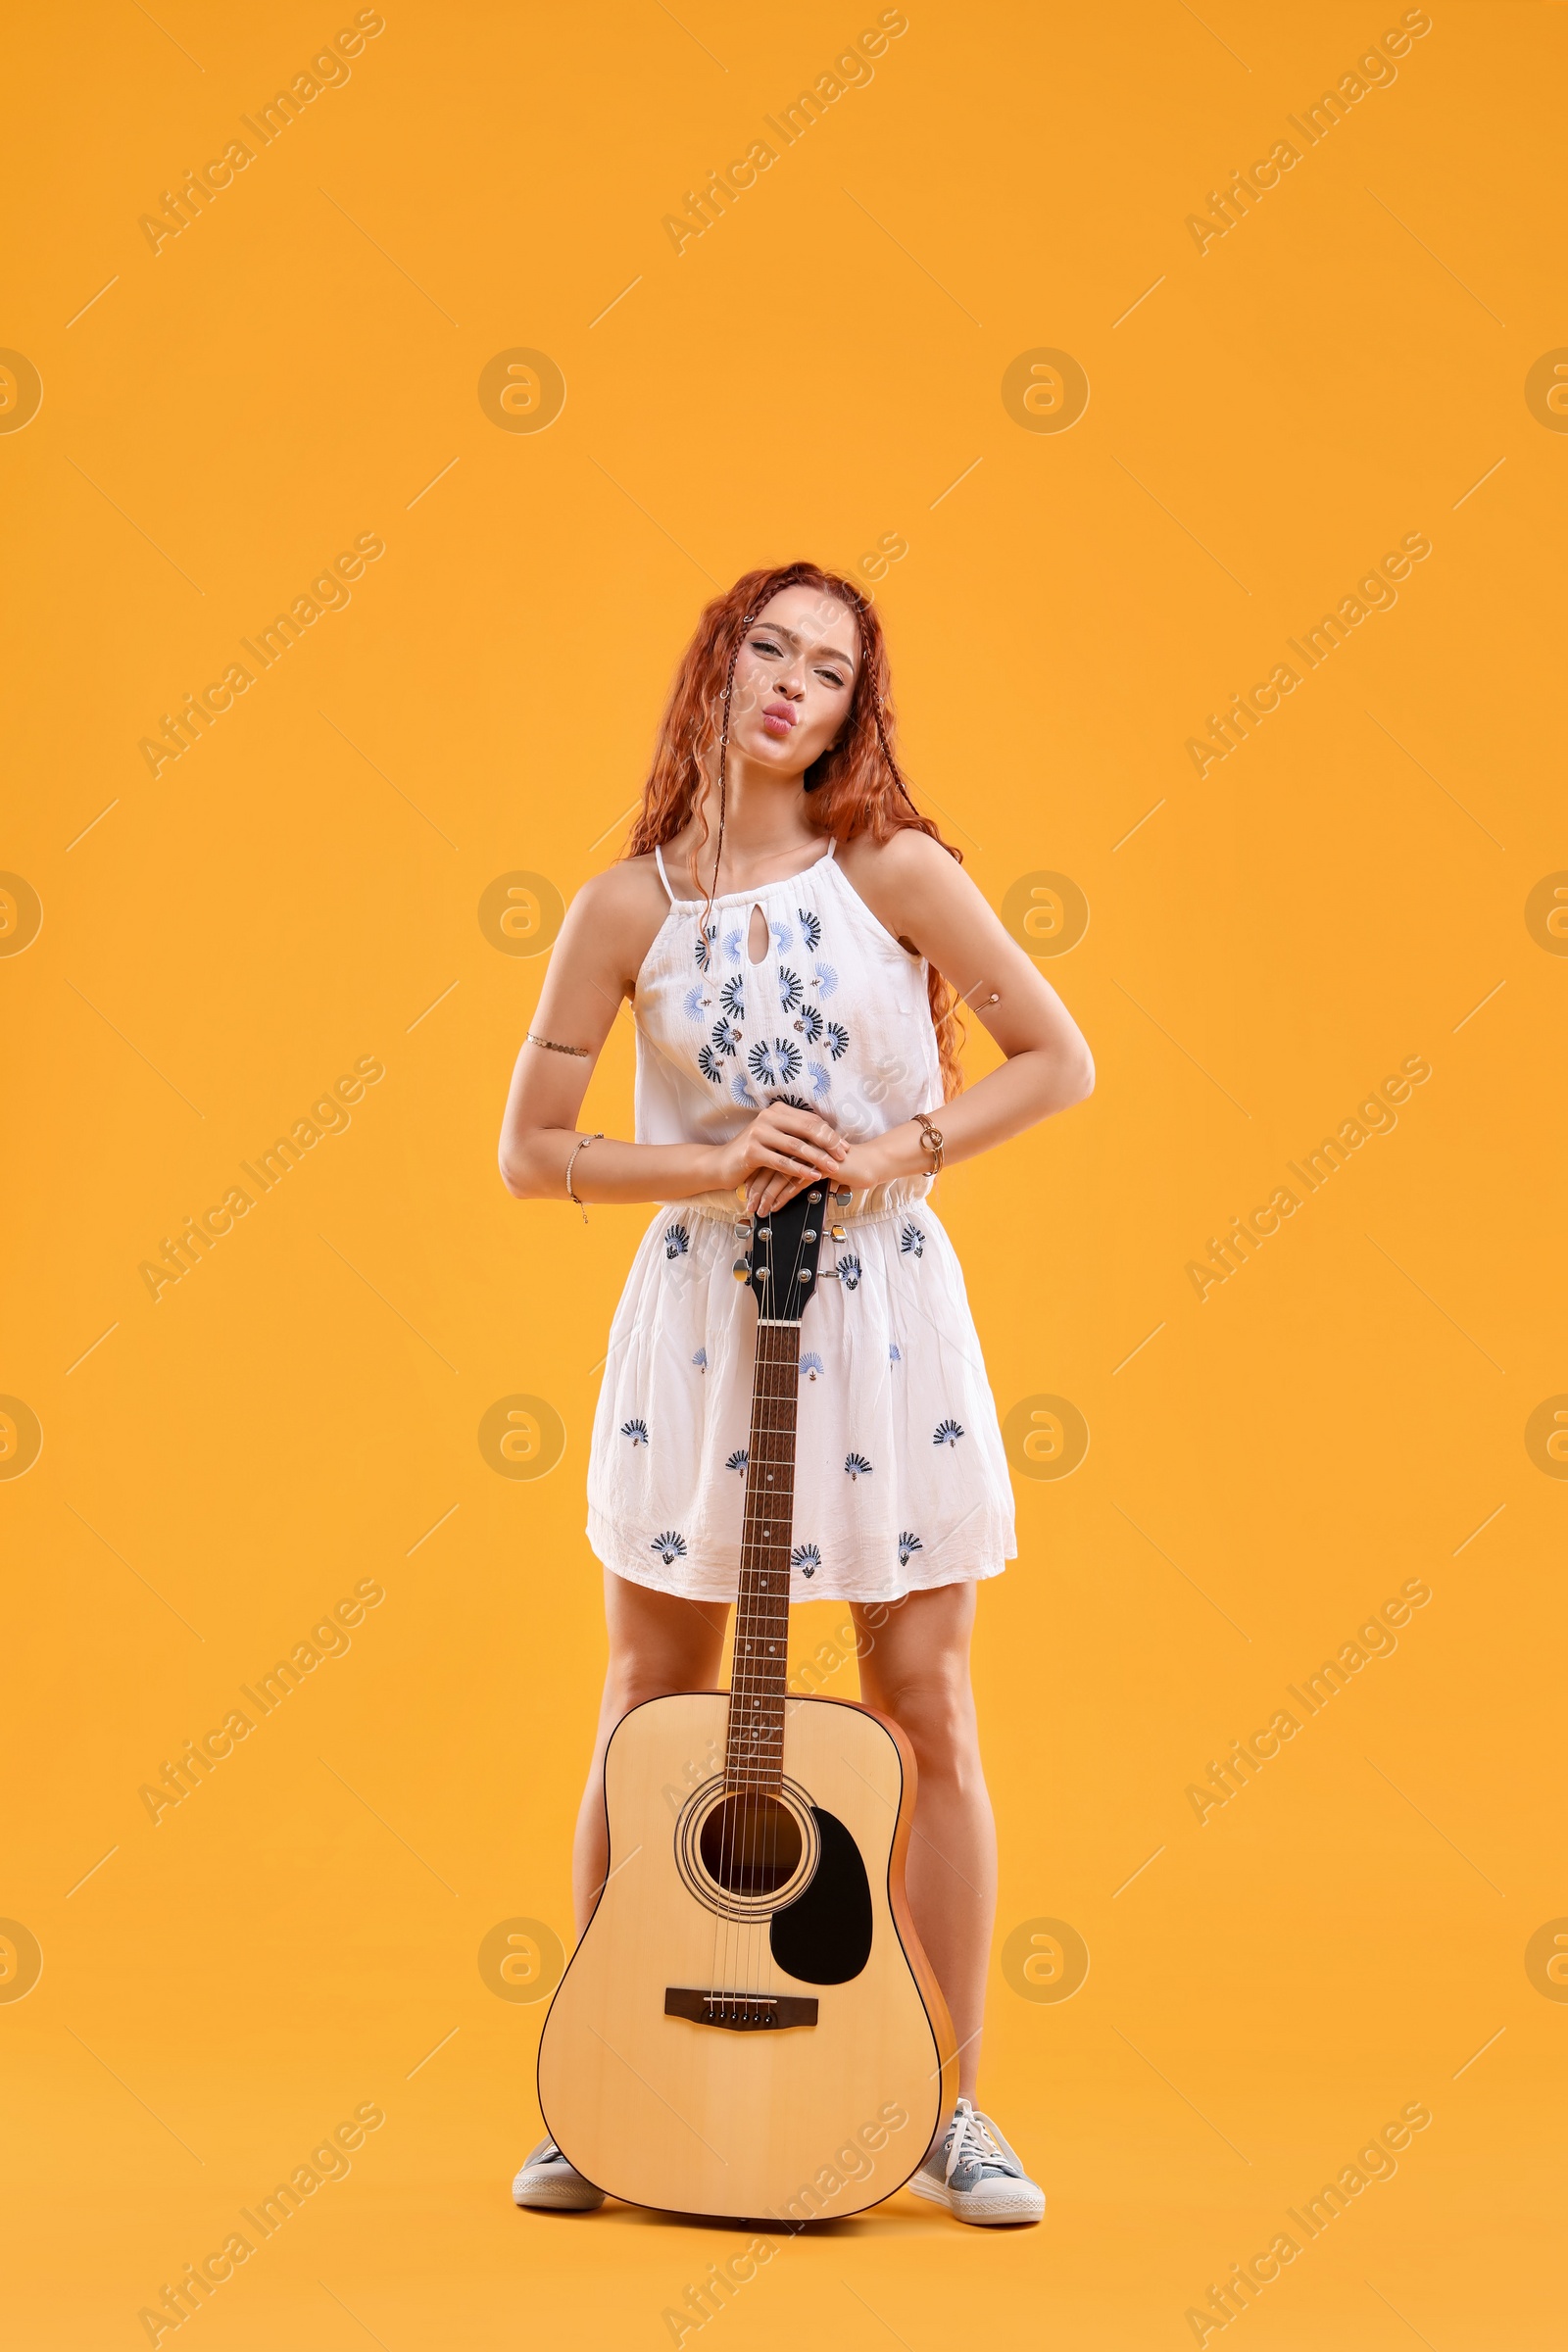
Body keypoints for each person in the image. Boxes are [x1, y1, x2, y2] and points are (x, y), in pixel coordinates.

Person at [497, 562, 1094, 2226]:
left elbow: (1059, 1056)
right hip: (702, 1327)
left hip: (884, 1323)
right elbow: (528, 1152)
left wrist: (900, 1150)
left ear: (852, 707)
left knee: (928, 1704)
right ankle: (602, 2073)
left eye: (828, 668)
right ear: (720, 658)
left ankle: (949, 2103)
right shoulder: (624, 910)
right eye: (771, 646)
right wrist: (700, 1164)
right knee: (645, 1699)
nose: (791, 684)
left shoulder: (894, 869)